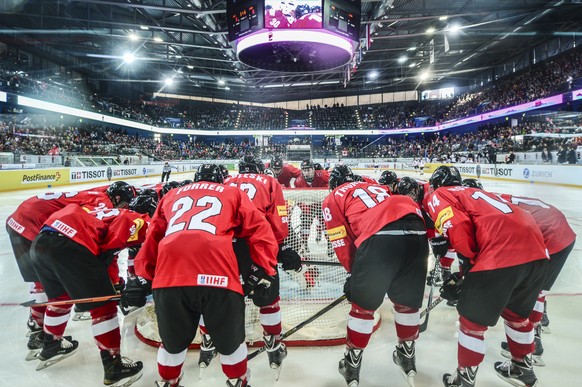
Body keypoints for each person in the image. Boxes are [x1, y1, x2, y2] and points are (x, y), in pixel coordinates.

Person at [125, 163, 279, 387]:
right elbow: (259, 228)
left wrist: (143, 277)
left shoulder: (170, 195)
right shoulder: (232, 192)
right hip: (218, 275)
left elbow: (153, 238)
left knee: (172, 345)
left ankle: (169, 382)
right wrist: (263, 268)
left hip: (169, 276)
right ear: (222, 180)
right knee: (232, 346)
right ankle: (238, 381)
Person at [424, 166, 549, 387]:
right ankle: (522, 369)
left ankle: (464, 379)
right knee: (517, 317)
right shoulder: (480, 193)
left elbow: (459, 227)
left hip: (502, 254)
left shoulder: (440, 194)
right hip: (537, 254)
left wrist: (470, 271)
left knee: (472, 323)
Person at [322, 165, 429, 387]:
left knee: (363, 307)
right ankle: (407, 356)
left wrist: (354, 273)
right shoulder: (375, 186)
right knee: (407, 304)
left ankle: (352, 365)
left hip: (380, 234)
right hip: (417, 228)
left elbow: (341, 242)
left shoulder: (333, 197)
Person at [6, 181, 136, 359]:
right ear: (118, 197)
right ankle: (44, 335)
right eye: (123, 204)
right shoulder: (104, 203)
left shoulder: (96, 192)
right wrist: (113, 282)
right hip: (32, 224)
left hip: (19, 220)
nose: (123, 208)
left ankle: (37, 329)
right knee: (58, 289)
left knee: (42, 282)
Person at [197, 155, 302, 373]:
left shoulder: (224, 182)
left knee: (213, 297)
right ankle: (273, 344)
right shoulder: (269, 182)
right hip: (257, 244)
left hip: (222, 247)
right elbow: (278, 218)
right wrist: (280, 247)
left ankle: (207, 342)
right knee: (268, 298)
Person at [29, 202, 150, 386]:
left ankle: (51, 344)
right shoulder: (139, 220)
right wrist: (117, 287)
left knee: (60, 299)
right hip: (69, 244)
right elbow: (109, 251)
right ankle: (114, 367)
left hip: (41, 241)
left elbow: (107, 251)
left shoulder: (107, 211)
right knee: (104, 307)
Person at [486, 192, 576, 367]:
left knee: (532, 290)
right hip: (560, 231)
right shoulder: (497, 198)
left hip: (552, 236)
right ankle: (539, 326)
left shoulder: (491, 208)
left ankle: (534, 344)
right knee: (538, 288)